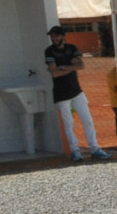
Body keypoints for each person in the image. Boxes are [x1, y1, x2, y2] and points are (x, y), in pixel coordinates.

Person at [44, 27, 109, 161]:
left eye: (56, 36)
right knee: (68, 123)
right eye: (52, 36)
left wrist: (64, 67)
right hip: (61, 93)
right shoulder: (49, 51)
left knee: (87, 120)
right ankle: (75, 151)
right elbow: (55, 73)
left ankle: (94, 148)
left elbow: (81, 65)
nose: (54, 39)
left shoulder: (72, 48)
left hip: (76, 90)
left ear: (63, 36)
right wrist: (70, 67)